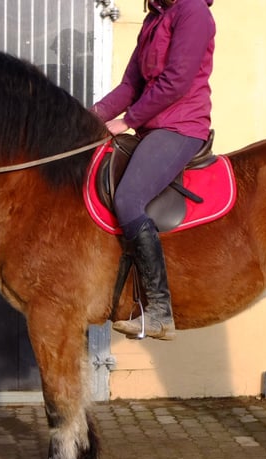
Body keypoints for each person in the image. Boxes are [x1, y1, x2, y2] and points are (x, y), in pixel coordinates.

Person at [91, 0, 215, 340]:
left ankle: (159, 312)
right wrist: (88, 119)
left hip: (181, 127)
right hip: (152, 127)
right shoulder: (154, 18)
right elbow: (131, 86)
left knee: (129, 199)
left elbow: (176, 81)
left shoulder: (193, 12)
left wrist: (127, 121)